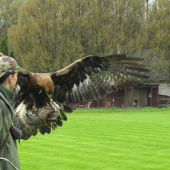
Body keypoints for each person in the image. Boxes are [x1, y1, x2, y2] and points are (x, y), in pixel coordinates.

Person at [0, 54, 59, 170]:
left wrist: (39, 118)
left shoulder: (4, 102)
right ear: (10, 78)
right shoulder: (1, 104)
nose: (17, 80)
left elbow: (16, 128)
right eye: (16, 76)